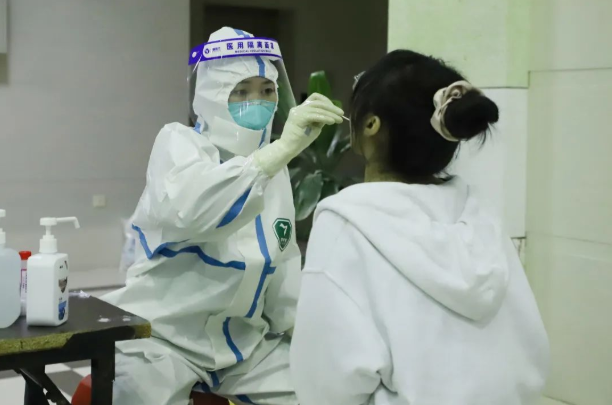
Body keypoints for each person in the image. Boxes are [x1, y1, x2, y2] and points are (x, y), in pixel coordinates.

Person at [290, 50, 549, 405]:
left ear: (371, 124)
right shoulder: (479, 214)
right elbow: (528, 351)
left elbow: (326, 384)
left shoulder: (347, 222)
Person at [103, 27, 343, 405]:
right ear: (211, 96)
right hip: (161, 338)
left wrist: (311, 338)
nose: (257, 101)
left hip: (244, 347)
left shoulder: (275, 170)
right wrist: (276, 153)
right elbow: (194, 211)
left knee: (322, 392)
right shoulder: (178, 144)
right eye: (241, 91)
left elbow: (283, 267)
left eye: (267, 90)